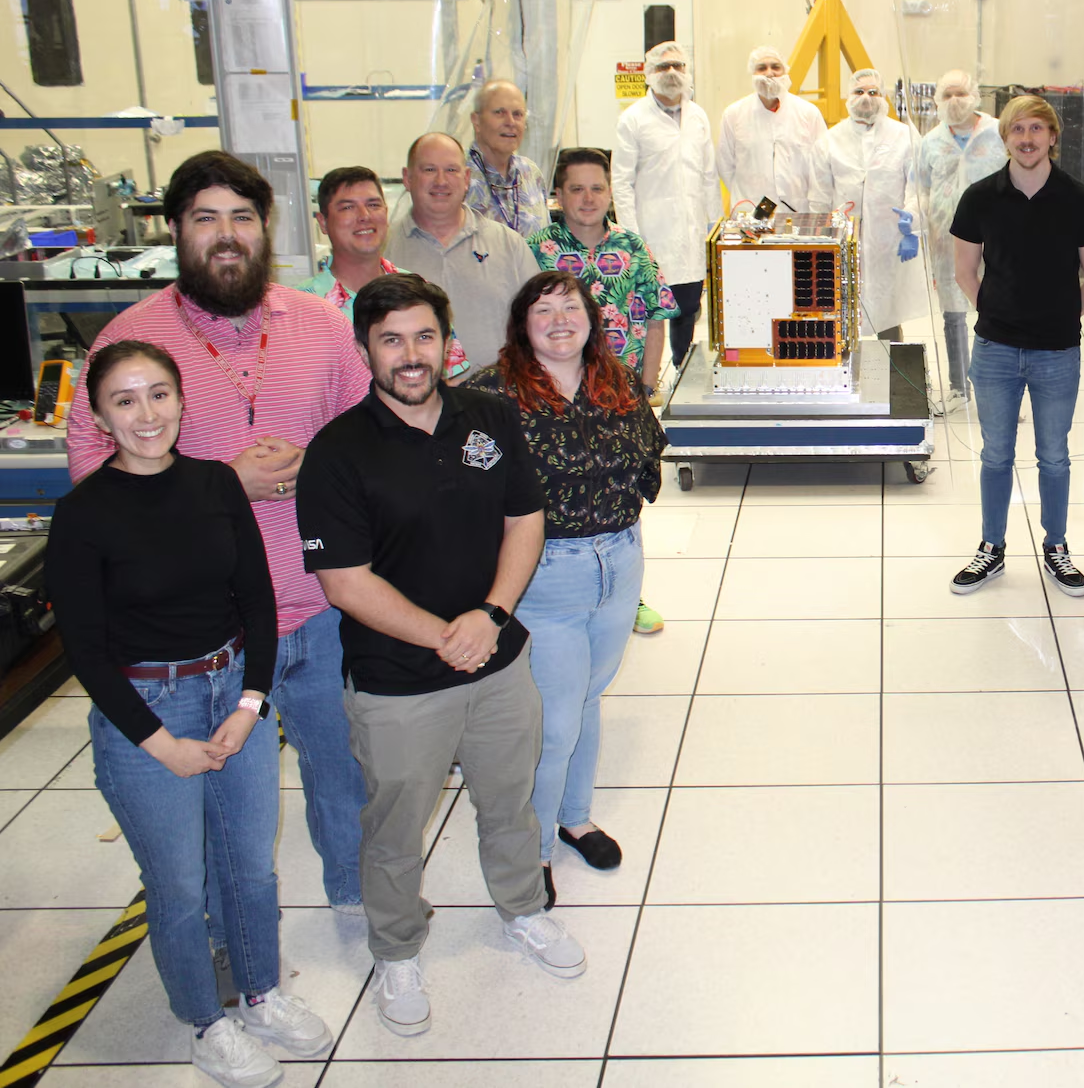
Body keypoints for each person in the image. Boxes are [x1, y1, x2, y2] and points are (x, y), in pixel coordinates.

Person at [68, 150, 372, 917]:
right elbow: (94, 490)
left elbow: (371, 438)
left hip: (322, 604)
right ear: (175, 229)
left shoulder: (319, 324)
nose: (226, 234)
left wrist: (317, 464)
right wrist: (221, 486)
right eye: (205, 218)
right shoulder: (128, 343)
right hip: (202, 638)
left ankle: (354, 895)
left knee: (344, 771)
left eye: (242, 216)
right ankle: (219, 929)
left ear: (265, 227)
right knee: (214, 800)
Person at [298, 274, 586, 1037]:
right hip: (397, 683)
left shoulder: (489, 416)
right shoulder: (336, 452)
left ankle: (523, 908)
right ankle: (396, 949)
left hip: (499, 662)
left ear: (446, 341)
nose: (410, 354)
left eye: (424, 336)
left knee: (510, 800)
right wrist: (446, 635)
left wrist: (491, 616)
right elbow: (344, 582)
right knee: (395, 828)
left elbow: (525, 520)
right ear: (365, 349)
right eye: (391, 339)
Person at [50, 342, 334, 1087]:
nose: (146, 414)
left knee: (250, 866)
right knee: (178, 884)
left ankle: (261, 992)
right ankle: (206, 1021)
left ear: (181, 400)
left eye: (159, 394)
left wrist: (251, 703)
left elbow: (257, 602)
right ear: (100, 417)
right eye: (124, 400)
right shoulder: (82, 514)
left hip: (230, 687)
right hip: (145, 707)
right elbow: (84, 649)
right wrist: (159, 743)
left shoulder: (215, 484)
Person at [465, 272, 665, 907]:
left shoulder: (615, 378)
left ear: (591, 317)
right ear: (521, 324)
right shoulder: (490, 394)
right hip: (543, 573)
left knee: (587, 698)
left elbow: (648, 452)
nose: (558, 321)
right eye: (542, 310)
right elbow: (464, 490)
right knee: (553, 721)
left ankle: (574, 818)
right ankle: (535, 850)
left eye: (570, 307)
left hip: (619, 561)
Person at [948, 93, 1084, 597]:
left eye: (1036, 128)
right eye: (1017, 129)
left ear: (1052, 137)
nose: (1027, 138)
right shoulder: (980, 197)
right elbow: (964, 270)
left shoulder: (1079, 199)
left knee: (1054, 456)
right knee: (996, 455)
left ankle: (1056, 547)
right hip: (995, 350)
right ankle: (991, 548)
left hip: (1057, 351)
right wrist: (996, 312)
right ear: (1005, 138)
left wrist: (1063, 316)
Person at [527, 147, 676, 637]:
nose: (588, 198)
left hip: (617, 397)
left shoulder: (632, 247)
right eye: (576, 189)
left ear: (610, 192)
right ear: (559, 194)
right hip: (553, 401)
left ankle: (628, 596)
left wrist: (646, 387)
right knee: (557, 498)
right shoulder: (536, 250)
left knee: (624, 493)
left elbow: (656, 317)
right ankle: (551, 592)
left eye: (597, 188)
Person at [386, 132, 541, 371]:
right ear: (407, 178)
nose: (441, 181)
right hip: (411, 391)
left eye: (451, 170)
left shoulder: (508, 244)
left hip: (499, 392)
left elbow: (540, 321)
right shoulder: (384, 248)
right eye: (429, 170)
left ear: (466, 178)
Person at [614, 40, 722, 374]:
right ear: (649, 73)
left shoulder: (698, 116)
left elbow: (709, 175)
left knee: (687, 308)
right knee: (650, 312)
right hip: (651, 235)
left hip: (691, 234)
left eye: (678, 66)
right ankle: (646, 380)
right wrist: (631, 236)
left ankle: (682, 373)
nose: (672, 72)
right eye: (663, 67)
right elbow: (621, 182)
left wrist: (716, 227)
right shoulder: (633, 119)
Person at [304, 164, 470, 380]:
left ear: (385, 212)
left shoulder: (420, 294)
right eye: (348, 207)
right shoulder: (300, 307)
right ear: (323, 222)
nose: (364, 216)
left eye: (373, 205)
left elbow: (447, 383)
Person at [807, 67, 928, 339]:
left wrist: (912, 220)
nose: (866, 98)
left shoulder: (904, 137)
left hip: (890, 240)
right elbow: (819, 198)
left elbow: (919, 187)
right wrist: (821, 241)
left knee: (888, 313)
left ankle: (889, 363)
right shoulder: (829, 141)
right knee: (844, 309)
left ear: (883, 97)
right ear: (848, 97)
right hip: (845, 241)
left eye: (873, 92)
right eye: (859, 91)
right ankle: (850, 363)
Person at [912, 70, 1007, 398]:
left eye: (961, 94)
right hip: (947, 240)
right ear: (937, 100)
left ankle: (998, 387)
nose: (954, 101)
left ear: (975, 96)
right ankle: (958, 387)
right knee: (953, 314)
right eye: (947, 95)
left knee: (997, 311)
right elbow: (920, 188)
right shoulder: (930, 141)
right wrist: (915, 221)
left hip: (997, 237)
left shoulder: (998, 132)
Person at [717, 44, 826, 209]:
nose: (769, 73)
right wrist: (748, 197)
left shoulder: (809, 114)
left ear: (785, 72)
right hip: (751, 211)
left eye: (776, 67)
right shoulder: (733, 115)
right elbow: (725, 165)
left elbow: (821, 165)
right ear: (753, 74)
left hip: (797, 211)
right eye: (762, 68)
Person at [463, 79, 551, 235]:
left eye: (517, 114)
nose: (510, 122)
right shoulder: (455, 173)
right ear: (476, 121)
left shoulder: (531, 173)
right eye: (499, 113)